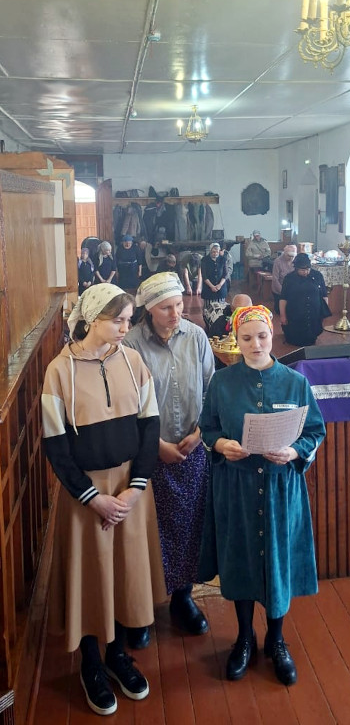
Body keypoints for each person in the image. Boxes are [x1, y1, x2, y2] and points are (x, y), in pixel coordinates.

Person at [41, 284, 165, 716]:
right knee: (92, 577)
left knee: (125, 573)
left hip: (131, 488)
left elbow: (151, 426)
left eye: (129, 320)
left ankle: (118, 656)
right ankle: (91, 663)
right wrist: (93, 498)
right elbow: (56, 446)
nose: (126, 328)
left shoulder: (133, 361)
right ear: (93, 320)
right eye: (118, 321)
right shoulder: (59, 371)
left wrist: (136, 487)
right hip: (87, 496)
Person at [198, 305, 326, 686]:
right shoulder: (221, 383)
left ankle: (277, 638)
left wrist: (294, 451)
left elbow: (315, 431)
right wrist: (221, 444)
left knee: (276, 561)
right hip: (236, 488)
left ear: (272, 335)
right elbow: (207, 428)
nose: (256, 344)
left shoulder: (295, 383)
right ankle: (243, 638)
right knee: (240, 559)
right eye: (247, 338)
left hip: (279, 489)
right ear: (236, 341)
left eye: (262, 336)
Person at [123, 272, 215, 648]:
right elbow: (128, 406)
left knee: (189, 525)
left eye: (178, 305)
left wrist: (200, 433)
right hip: (149, 453)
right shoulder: (130, 344)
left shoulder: (196, 337)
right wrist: (156, 445)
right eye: (166, 308)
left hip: (192, 448)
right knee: (148, 530)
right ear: (148, 309)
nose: (176, 313)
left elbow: (210, 390)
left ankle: (182, 597)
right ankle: (141, 606)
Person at [279, 253, 330, 346]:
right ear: (296, 268)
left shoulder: (317, 275)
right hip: (295, 313)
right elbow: (283, 298)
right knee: (294, 339)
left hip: (314, 311)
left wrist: (323, 312)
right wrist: (283, 316)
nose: (306, 272)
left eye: (308, 269)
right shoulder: (289, 278)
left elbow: (324, 295)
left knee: (312, 337)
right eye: (302, 270)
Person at [200, 242, 228, 326]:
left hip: (221, 288)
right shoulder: (204, 260)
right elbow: (204, 276)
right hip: (208, 289)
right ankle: (208, 325)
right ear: (210, 251)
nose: (215, 253)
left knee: (220, 310)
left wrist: (219, 285)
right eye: (213, 252)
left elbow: (225, 274)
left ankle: (220, 325)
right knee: (208, 309)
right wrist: (212, 286)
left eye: (217, 252)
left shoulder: (223, 259)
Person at [271, 244, 297, 315]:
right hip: (279, 288)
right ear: (284, 253)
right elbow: (275, 279)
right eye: (289, 256)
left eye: (293, 256)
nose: (291, 258)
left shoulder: (296, 261)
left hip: (292, 289)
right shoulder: (278, 261)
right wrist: (283, 292)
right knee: (279, 311)